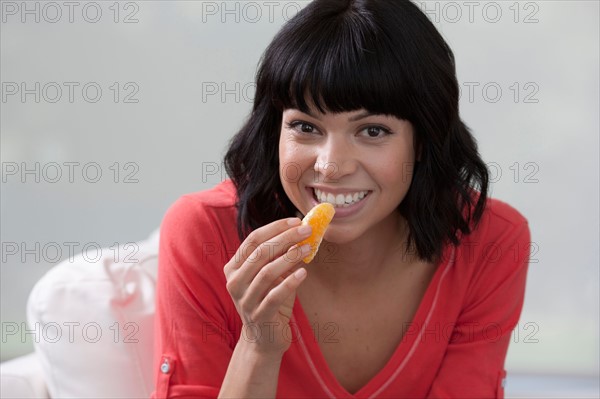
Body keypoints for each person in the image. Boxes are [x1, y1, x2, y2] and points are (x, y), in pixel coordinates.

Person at [152, 0, 531, 398]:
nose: (331, 167)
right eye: (305, 126)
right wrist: (258, 345)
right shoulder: (204, 233)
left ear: (423, 139)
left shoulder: (489, 241)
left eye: (372, 131)